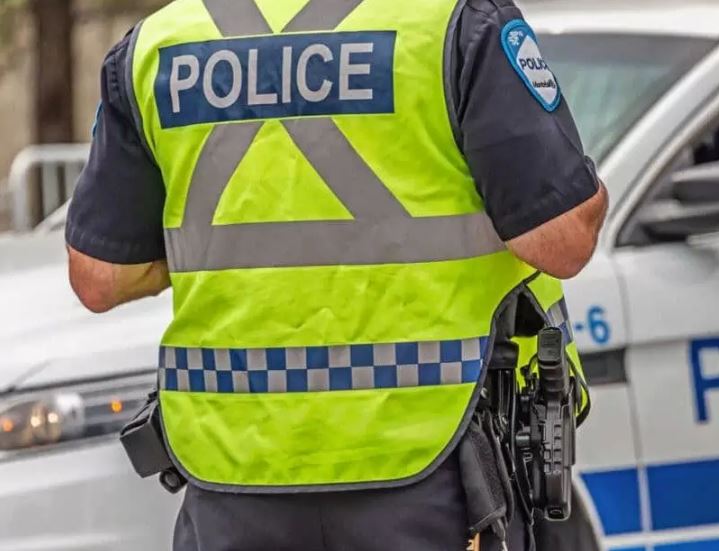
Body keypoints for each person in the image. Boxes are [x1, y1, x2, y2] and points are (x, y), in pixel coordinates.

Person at [66, 0, 607, 549]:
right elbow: (562, 238)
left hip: (233, 475)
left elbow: (100, 275)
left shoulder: (158, 47)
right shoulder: (454, 23)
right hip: (431, 468)